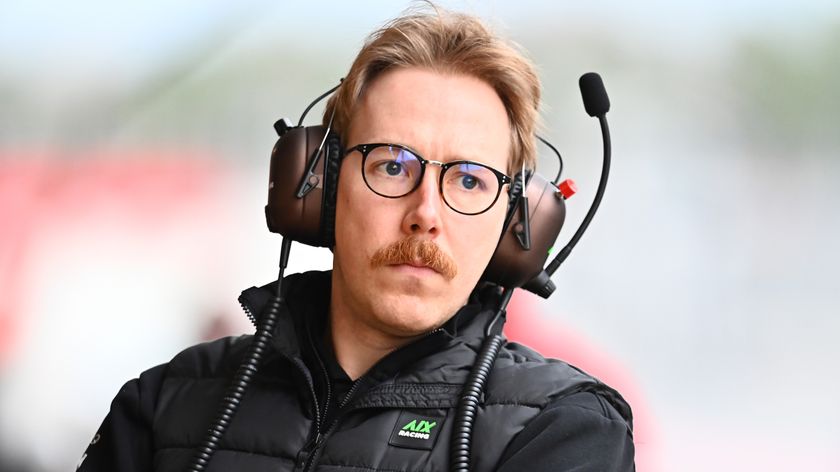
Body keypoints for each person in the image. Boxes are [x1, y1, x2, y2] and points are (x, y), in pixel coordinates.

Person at [78, 6, 634, 471]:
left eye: (469, 180)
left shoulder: (564, 431)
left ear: (516, 225)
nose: (426, 214)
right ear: (316, 186)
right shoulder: (164, 405)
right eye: (392, 166)